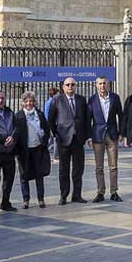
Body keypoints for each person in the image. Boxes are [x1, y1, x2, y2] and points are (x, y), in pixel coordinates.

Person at [48, 76, 91, 204]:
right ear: (63, 87)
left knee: (78, 168)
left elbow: (87, 120)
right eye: (67, 85)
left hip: (78, 139)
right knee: (63, 169)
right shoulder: (57, 100)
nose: (70, 87)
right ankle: (64, 195)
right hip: (63, 139)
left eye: (72, 84)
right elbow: (50, 119)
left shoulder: (81, 100)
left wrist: (86, 136)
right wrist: (56, 133)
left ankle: (77, 195)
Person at [88, 76, 124, 203]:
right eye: (100, 84)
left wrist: (121, 133)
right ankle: (100, 192)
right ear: (96, 85)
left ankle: (114, 191)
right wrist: (89, 136)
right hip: (97, 135)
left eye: (104, 83)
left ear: (108, 85)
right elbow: (88, 119)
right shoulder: (92, 100)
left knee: (113, 166)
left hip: (112, 135)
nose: (102, 86)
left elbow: (121, 115)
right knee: (99, 167)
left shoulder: (115, 98)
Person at [14, 91, 52, 208]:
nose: (29, 103)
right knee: (24, 175)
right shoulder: (18, 116)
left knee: (38, 174)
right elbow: (15, 132)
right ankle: (26, 199)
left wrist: (44, 142)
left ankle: (41, 199)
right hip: (24, 149)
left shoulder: (39, 114)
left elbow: (46, 129)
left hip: (37, 148)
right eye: (26, 101)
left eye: (31, 101)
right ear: (23, 103)